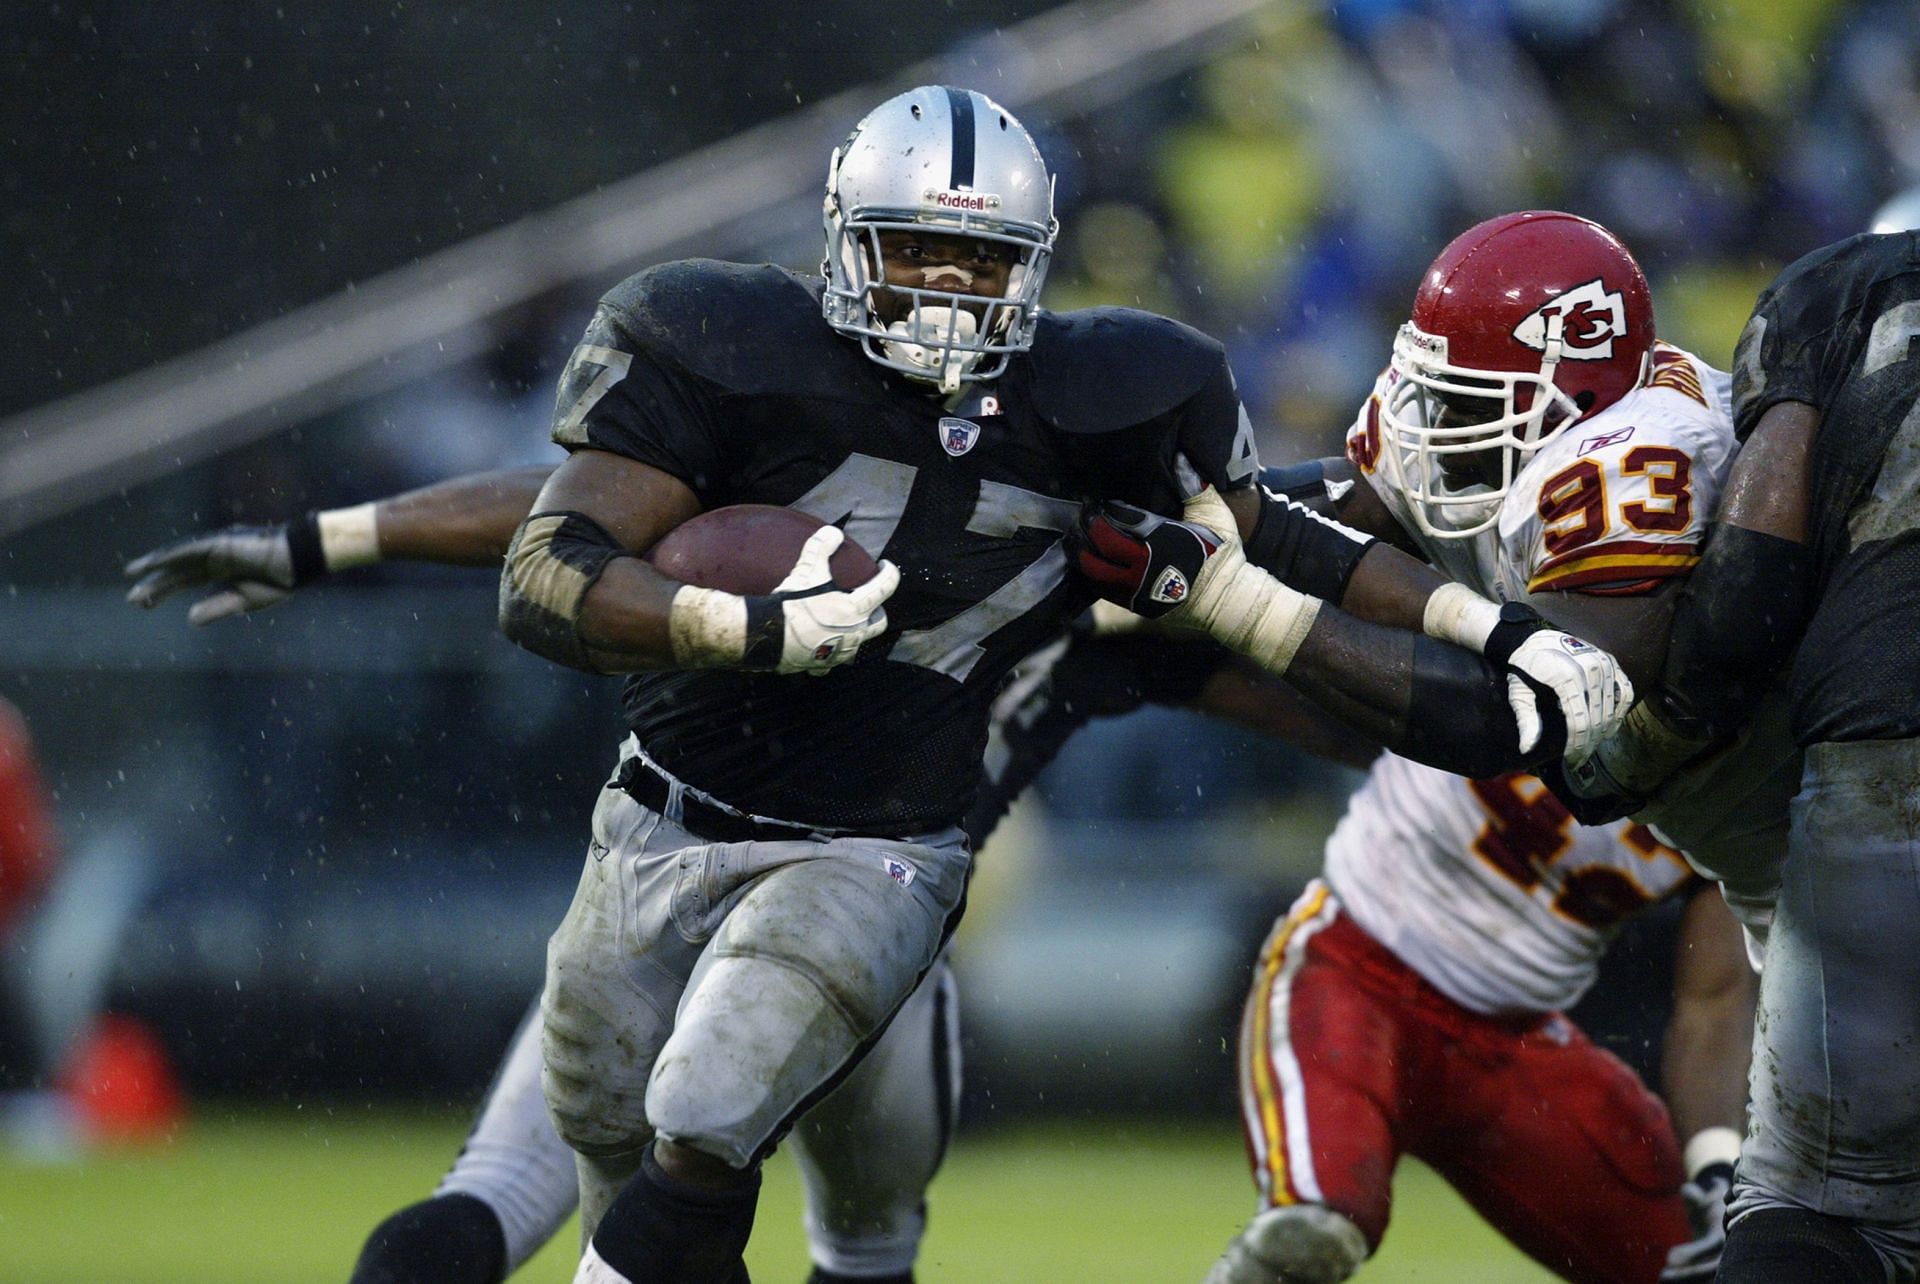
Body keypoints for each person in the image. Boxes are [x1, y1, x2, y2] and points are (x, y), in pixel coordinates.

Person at [125, 96, 1631, 1276]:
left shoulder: (1132, 500)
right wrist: (331, 539)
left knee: (826, 1213)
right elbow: (563, 513)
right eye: (921, 253)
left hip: (880, 892)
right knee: (505, 1199)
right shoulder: (757, 384)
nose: (948, 295)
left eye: (982, 264)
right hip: (682, 835)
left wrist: (1497, 693)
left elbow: (1306, 635)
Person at [1068, 210, 1755, 1282]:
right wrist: (1187, 558)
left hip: (1524, 1038)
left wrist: (1721, 1165)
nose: (1435, 427)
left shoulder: (1642, 531)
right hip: (1358, 965)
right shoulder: (1571, 502)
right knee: (1313, 1233)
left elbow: (1718, 996)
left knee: (1697, 1268)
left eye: (1469, 404)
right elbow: (1341, 549)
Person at [1552, 220, 1920, 1282]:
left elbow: (1751, 576)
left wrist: (1659, 729)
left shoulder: (1838, 282)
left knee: (1828, 1214)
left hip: (1889, 740)